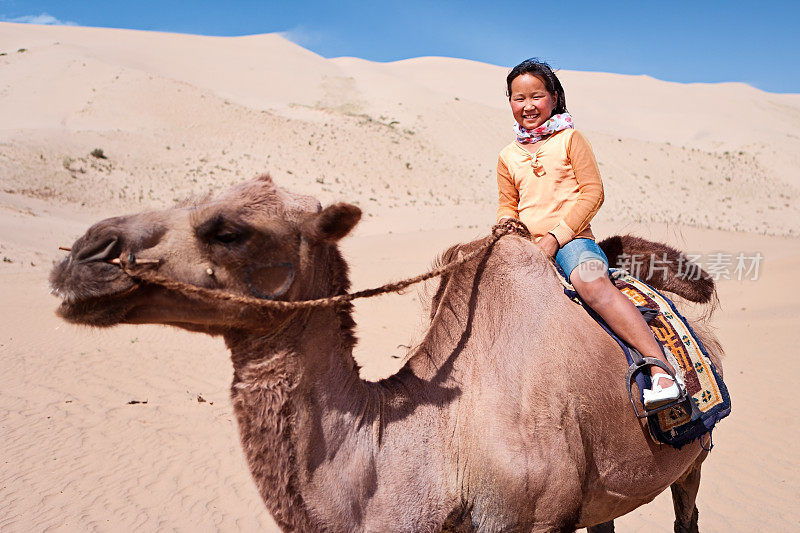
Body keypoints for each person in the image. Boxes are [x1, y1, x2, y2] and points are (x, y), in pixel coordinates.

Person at [496, 58, 682, 408]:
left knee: (591, 283)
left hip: (573, 241)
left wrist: (556, 237)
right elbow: (508, 204)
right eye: (519, 98)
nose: (528, 106)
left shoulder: (570, 139)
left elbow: (593, 192)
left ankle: (661, 371)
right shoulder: (507, 155)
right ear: (510, 102)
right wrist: (506, 226)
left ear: (554, 97)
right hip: (525, 247)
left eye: (536, 96)